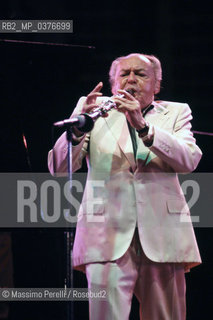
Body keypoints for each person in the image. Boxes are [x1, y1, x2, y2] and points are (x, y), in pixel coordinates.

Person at [48, 53, 202, 320]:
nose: (131, 79)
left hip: (164, 235)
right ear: (113, 84)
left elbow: (189, 160)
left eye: (140, 74)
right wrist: (77, 130)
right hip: (105, 237)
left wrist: (144, 128)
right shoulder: (92, 110)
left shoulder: (177, 111)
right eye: (124, 74)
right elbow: (59, 168)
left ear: (156, 85)